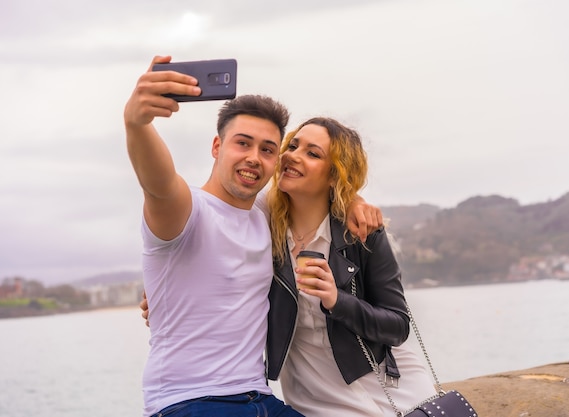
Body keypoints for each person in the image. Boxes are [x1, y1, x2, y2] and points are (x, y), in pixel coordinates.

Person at [126, 56, 382, 417]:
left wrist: (352, 199)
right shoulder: (186, 211)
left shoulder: (265, 215)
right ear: (217, 147)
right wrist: (137, 125)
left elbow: (316, 190)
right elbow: (158, 184)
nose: (253, 158)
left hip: (259, 398)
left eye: (267, 150)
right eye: (242, 144)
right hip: (190, 402)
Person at [265, 117, 438, 416]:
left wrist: (337, 301)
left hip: (393, 389)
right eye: (293, 145)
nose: (292, 155)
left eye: (312, 153)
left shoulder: (361, 235)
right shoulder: (262, 223)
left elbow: (397, 325)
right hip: (315, 398)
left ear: (334, 176)